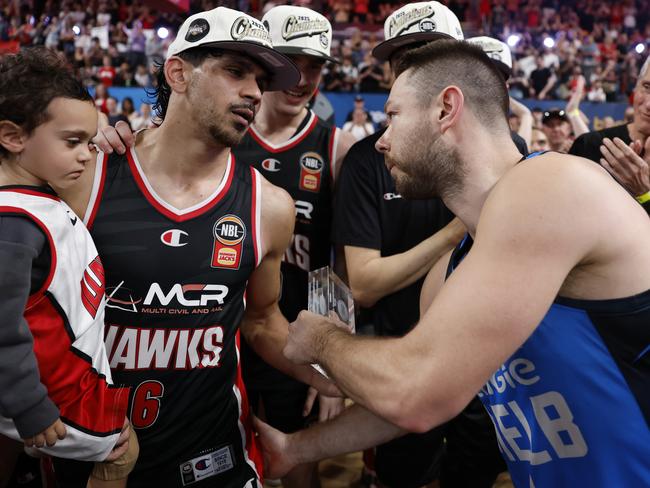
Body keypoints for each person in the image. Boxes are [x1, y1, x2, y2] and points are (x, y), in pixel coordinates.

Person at [261, 40, 650, 487]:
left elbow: (415, 395)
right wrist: (294, 450)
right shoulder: (450, 271)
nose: (382, 141)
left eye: (393, 116)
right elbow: (420, 397)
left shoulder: (552, 183)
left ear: (446, 108)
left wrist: (322, 340)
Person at [63, 7, 336, 488]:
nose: (254, 91)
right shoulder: (88, 176)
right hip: (91, 461)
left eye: (258, 78)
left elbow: (261, 321)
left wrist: (334, 374)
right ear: (178, 72)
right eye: (235, 71)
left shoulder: (269, 207)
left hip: (216, 461)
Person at [332, 4, 504, 488]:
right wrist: (458, 231)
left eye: (428, 56)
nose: (413, 69)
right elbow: (364, 283)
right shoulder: (370, 157)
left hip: (491, 368)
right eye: (403, 58)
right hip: (400, 356)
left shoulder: (502, 154)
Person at [0, 47, 134, 488]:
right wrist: (29, 404)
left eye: (89, 142)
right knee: (122, 450)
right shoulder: (13, 224)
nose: (87, 155)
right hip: (54, 401)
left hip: (58, 384)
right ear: (13, 137)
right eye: (73, 142)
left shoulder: (36, 194)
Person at [234, 6, 356, 488]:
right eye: (290, 61)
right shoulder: (224, 134)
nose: (302, 77)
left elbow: (342, 267)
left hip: (298, 335)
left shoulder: (336, 146)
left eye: (316, 65)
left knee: (299, 454)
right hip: (224, 327)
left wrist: (333, 365)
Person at [569, 56, 650, 215]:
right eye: (647, 87)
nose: (648, 105)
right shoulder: (590, 145)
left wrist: (645, 193)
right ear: (635, 87)